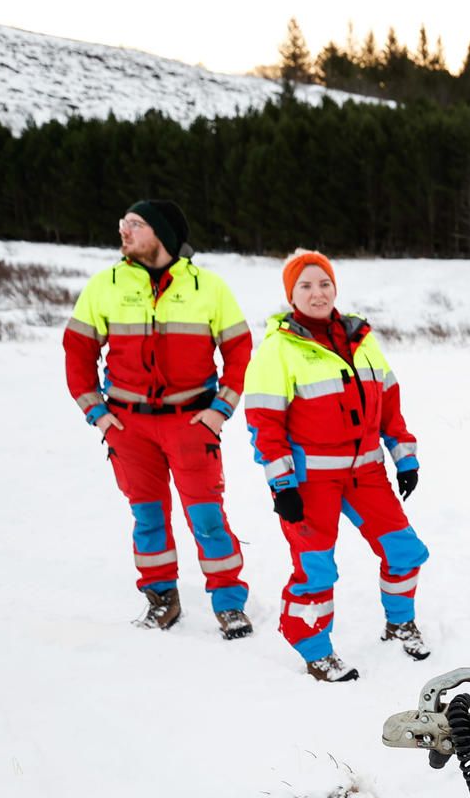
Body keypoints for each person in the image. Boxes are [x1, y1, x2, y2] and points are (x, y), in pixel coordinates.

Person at [63, 199, 253, 636]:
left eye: (135, 223)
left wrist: (219, 410)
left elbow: (240, 350)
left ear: (163, 234)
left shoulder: (209, 287)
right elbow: (77, 352)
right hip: (128, 426)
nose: (124, 231)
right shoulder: (104, 285)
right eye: (122, 223)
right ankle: (161, 598)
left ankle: (228, 602)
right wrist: (99, 414)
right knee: (148, 516)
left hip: (192, 422)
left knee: (207, 517)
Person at [242, 250, 429, 682]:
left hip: (367, 474)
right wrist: (281, 485)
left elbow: (389, 407)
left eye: (324, 283)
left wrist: (405, 457)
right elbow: (264, 424)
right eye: (305, 286)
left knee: (404, 551)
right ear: (291, 294)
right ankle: (314, 647)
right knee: (316, 569)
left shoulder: (362, 340)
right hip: (311, 482)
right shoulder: (278, 350)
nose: (317, 293)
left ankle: (400, 623)